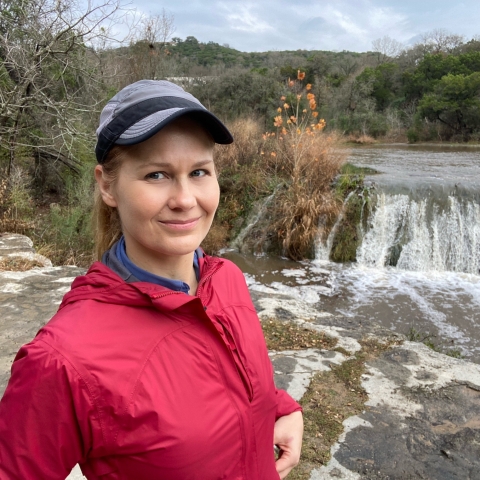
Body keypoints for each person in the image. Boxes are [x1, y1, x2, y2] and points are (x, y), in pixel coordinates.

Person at [0, 80, 303, 479]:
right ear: (107, 184)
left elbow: (223, 373)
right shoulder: (62, 360)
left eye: (199, 171)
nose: (184, 198)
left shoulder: (225, 279)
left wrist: (281, 407)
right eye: (157, 175)